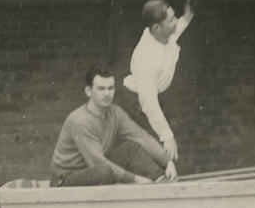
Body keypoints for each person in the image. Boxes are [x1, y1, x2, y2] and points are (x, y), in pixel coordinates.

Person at [50, 67, 178, 187]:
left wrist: (167, 161)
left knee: (129, 149)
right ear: (89, 91)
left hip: (94, 169)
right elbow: (97, 162)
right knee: (104, 172)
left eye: (110, 88)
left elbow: (140, 136)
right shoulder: (80, 121)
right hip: (66, 179)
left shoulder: (115, 113)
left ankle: (162, 180)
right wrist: (136, 179)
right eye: (101, 88)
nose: (107, 93)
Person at [122, 0, 193, 166]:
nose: (175, 22)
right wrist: (166, 137)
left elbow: (175, 31)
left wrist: (186, 17)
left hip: (153, 97)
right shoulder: (146, 57)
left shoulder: (162, 33)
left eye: (174, 17)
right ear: (156, 27)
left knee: (166, 152)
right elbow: (149, 103)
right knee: (157, 153)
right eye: (171, 20)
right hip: (137, 105)